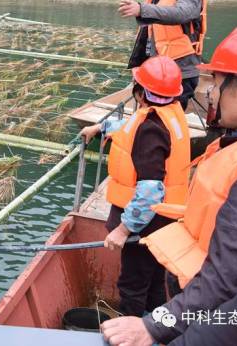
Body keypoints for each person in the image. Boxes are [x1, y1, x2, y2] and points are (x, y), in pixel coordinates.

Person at [101, 25, 237, 346]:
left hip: (214, 319)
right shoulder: (177, 116)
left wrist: (154, 326)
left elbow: (229, 281)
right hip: (198, 303)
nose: (209, 94)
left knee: (134, 288)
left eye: (216, 85)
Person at [80, 55, 190, 317]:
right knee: (153, 280)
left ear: (140, 93)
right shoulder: (170, 113)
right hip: (166, 220)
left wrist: (123, 229)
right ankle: (157, 328)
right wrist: (101, 126)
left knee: (132, 286)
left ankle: (132, 331)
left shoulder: (151, 131)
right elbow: (131, 126)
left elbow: (150, 191)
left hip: (145, 224)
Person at [119, 0, 207, 110]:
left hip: (180, 74)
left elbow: (183, 13)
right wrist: (141, 68)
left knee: (165, 122)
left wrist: (141, 10)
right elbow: (151, 39)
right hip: (159, 73)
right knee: (152, 118)